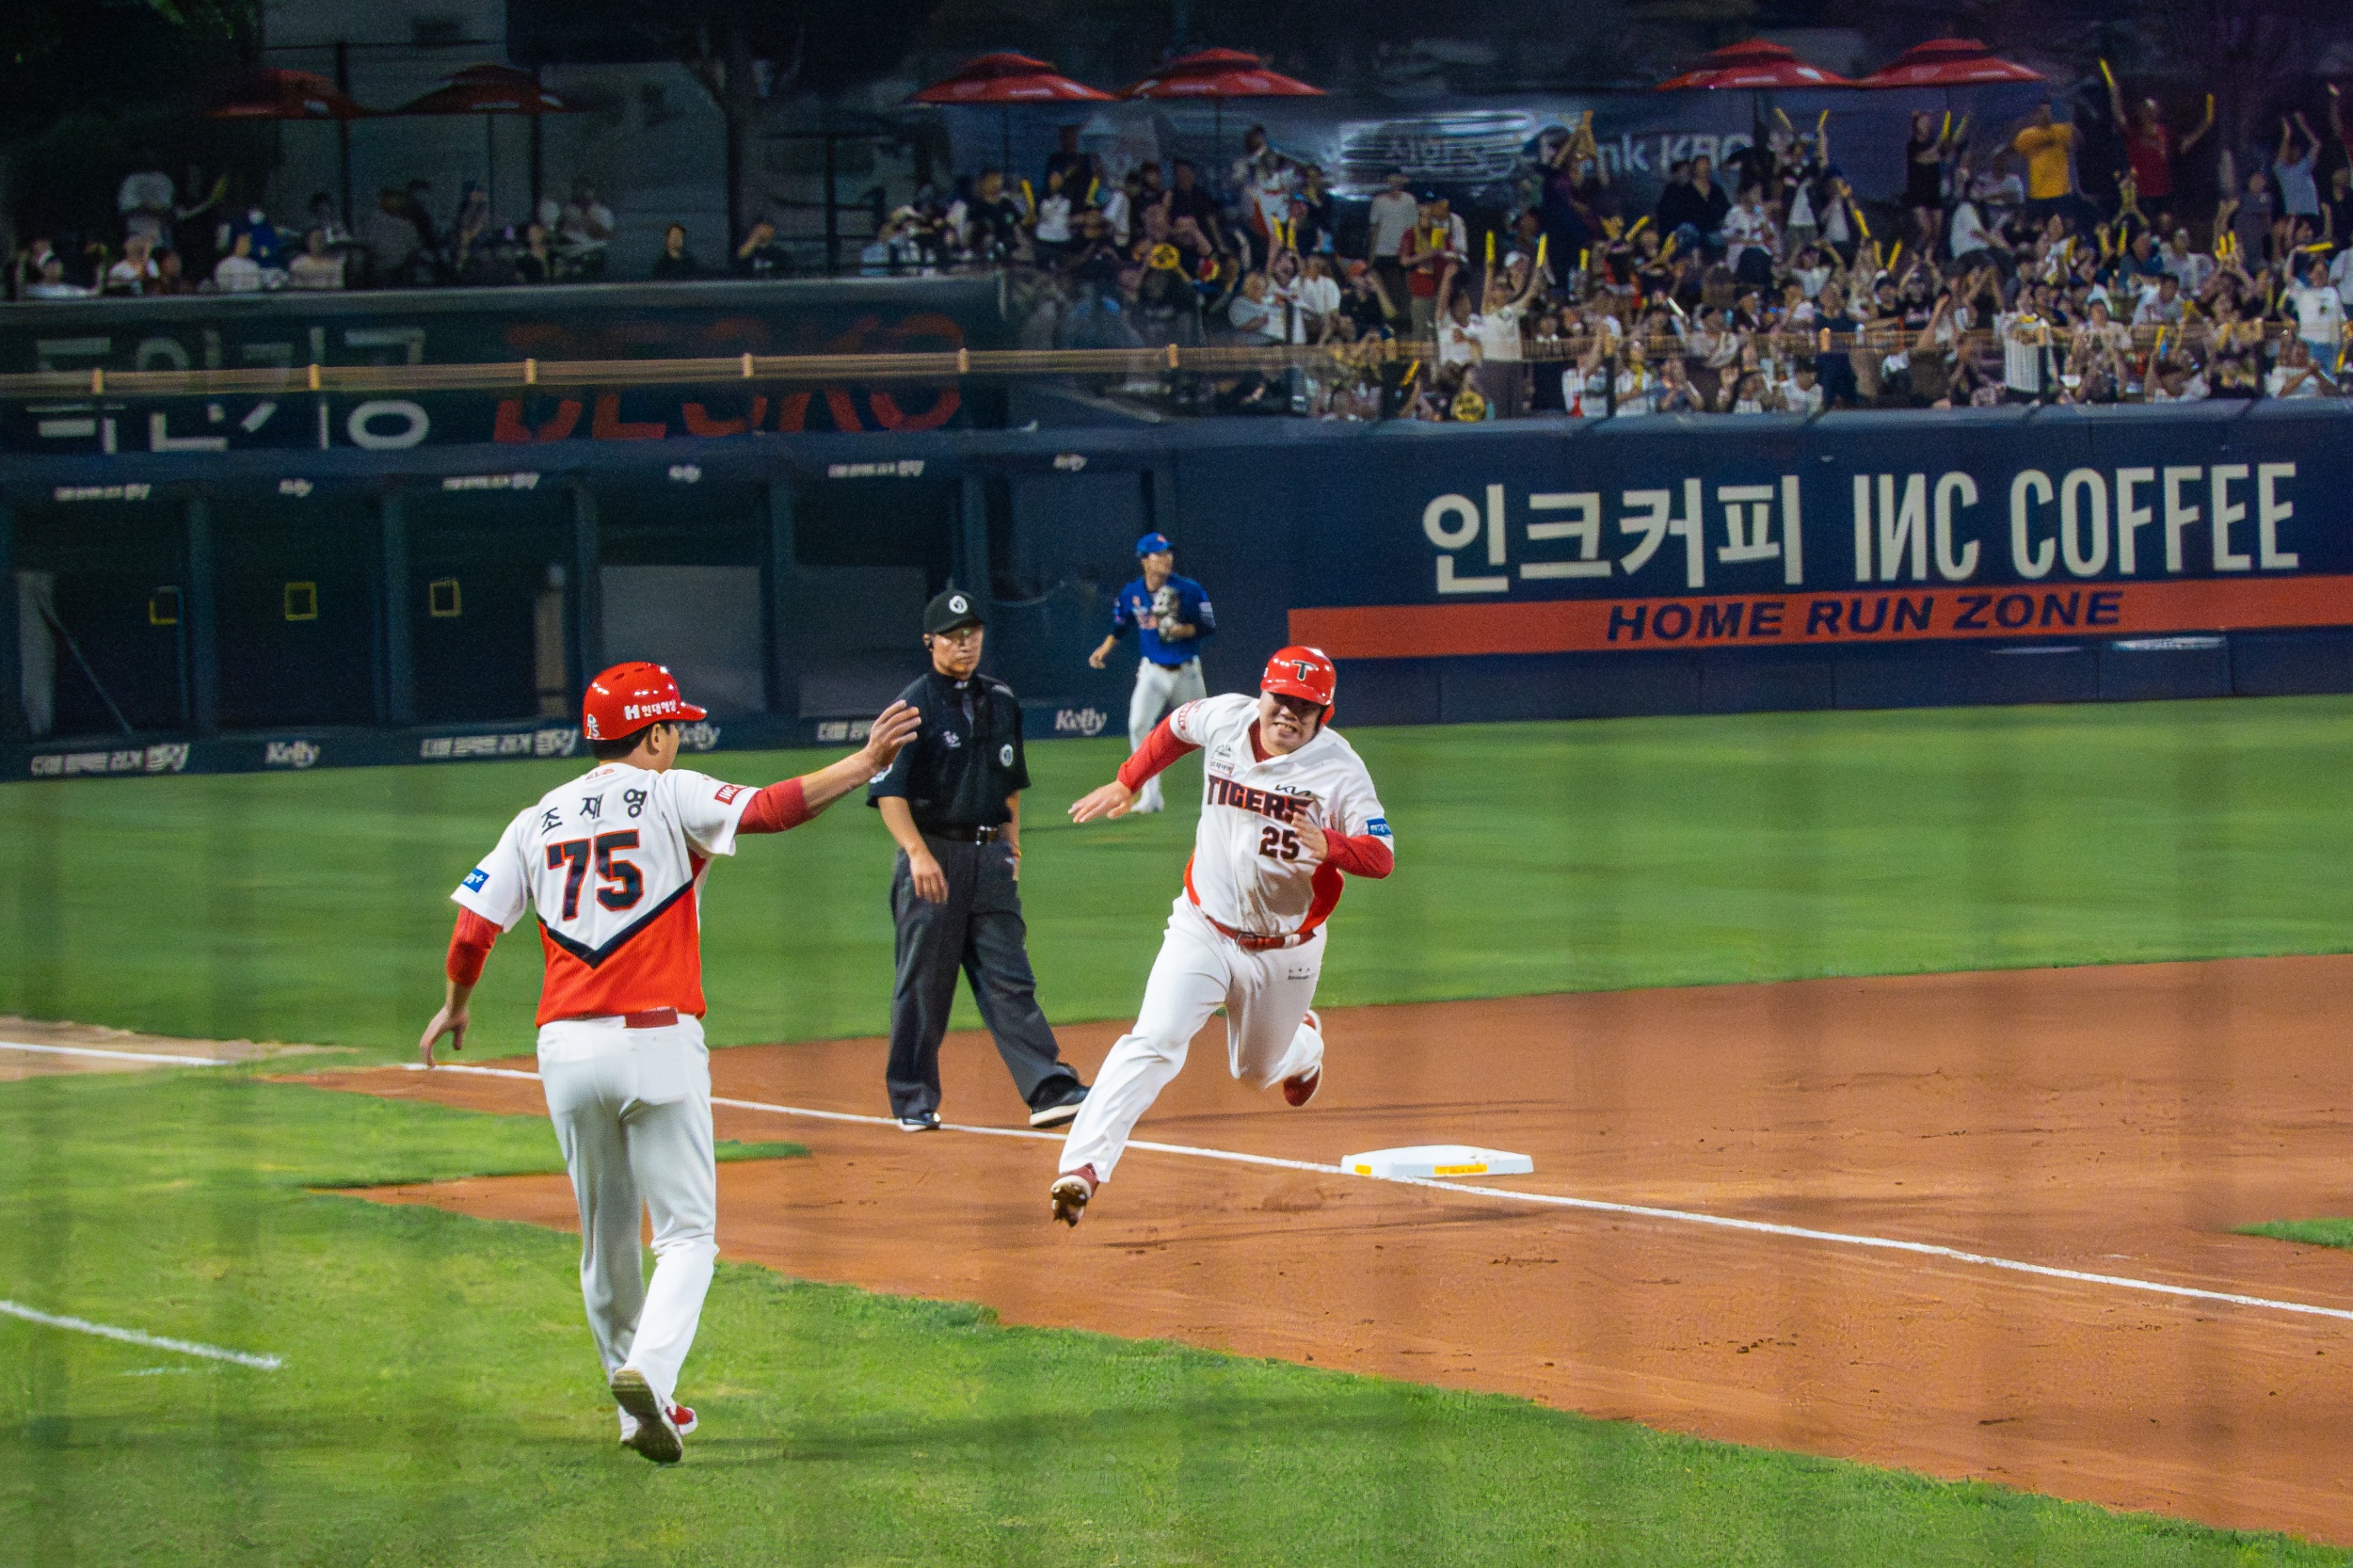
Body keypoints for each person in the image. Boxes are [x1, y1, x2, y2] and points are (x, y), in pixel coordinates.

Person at [419, 663, 919, 1464]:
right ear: (652, 734)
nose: (680, 736)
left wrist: (456, 1004)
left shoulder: (535, 819)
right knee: (687, 1236)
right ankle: (649, 1374)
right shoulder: (667, 792)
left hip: (563, 1051)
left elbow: (473, 932)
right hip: (656, 1039)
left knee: (605, 1240)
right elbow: (770, 809)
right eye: (675, 725)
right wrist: (864, 762)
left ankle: (635, 1413)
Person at [1048, 647, 1395, 1226]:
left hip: (1286, 951)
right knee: (1154, 1038)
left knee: (1254, 1072)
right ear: (1263, 694)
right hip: (1202, 928)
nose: (1288, 714)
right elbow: (1174, 729)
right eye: (1281, 699)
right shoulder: (1225, 717)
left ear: (1324, 713)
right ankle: (1082, 1170)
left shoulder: (1340, 770)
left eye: (1305, 707)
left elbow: (1381, 856)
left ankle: (1305, 1047)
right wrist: (1130, 781)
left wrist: (1333, 845)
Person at [865, 589, 1090, 1132]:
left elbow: (1010, 783)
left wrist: (1012, 846)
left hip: (990, 858)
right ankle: (913, 1100)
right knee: (924, 984)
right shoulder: (910, 707)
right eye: (952, 636)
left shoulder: (1002, 700)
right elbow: (889, 791)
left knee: (1011, 976)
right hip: (934, 855)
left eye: (972, 634)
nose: (964, 644)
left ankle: (1047, 1088)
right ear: (930, 642)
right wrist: (916, 853)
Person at [1088, 532, 1215, 814]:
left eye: (1168, 552)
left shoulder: (1189, 589)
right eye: (1159, 553)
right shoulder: (1132, 592)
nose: (1166, 558)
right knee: (1138, 725)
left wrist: (1182, 630)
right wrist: (1103, 650)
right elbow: (1120, 626)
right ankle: (1151, 796)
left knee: (1205, 732)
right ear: (1144, 560)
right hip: (1153, 671)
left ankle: (1217, 793)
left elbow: (1208, 625)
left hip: (1186, 672)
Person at [2009, 104, 2079, 230]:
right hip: (2037, 193)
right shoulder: (2026, 135)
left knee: (2068, 224)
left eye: (2048, 111)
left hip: (2061, 191)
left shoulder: (2062, 130)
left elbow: (2079, 143)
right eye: (2042, 112)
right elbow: (2013, 152)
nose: (2045, 115)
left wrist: (2074, 125)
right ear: (2034, 115)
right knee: (2027, 226)